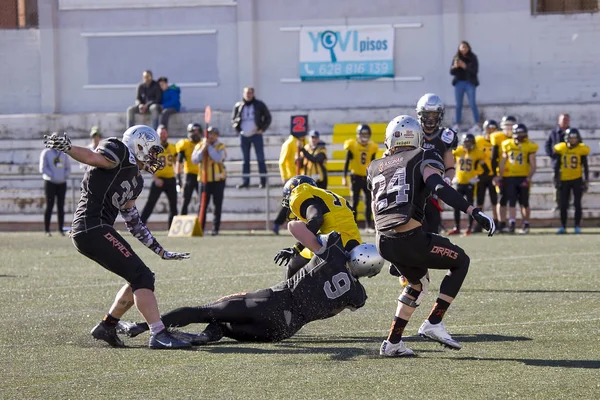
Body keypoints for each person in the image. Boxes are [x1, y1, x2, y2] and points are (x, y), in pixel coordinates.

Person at [42, 125, 192, 349]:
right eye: (152, 151)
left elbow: (133, 221)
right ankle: (159, 334)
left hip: (94, 230)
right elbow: (94, 158)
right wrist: (69, 148)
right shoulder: (119, 151)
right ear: (139, 145)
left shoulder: (137, 181)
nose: (154, 157)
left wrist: (160, 250)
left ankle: (107, 326)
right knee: (143, 277)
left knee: (140, 277)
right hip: (92, 226)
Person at [366, 115, 495, 357]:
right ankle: (434, 322)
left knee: (417, 284)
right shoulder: (422, 156)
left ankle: (393, 343)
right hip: (409, 238)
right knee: (461, 260)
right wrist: (473, 210)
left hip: (383, 241)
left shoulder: (374, 166)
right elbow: (439, 187)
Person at [117, 231, 383, 345]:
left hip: (274, 301)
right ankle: (205, 337)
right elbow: (333, 310)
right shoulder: (357, 295)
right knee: (222, 326)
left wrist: (311, 246)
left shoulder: (335, 254)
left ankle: (141, 328)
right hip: (284, 330)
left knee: (206, 311)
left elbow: (296, 227)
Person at [274, 175, 362, 279]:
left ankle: (288, 294)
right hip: (355, 246)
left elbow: (316, 219)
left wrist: (296, 248)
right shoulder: (332, 196)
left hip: (333, 245)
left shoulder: (300, 192)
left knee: (293, 265)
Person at [415, 93, 458, 234]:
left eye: (434, 114)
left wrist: (447, 180)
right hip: (413, 187)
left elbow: (450, 166)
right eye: (427, 114)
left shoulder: (446, 136)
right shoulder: (412, 133)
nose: (431, 118)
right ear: (420, 114)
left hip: (433, 189)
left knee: (433, 228)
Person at [498, 123, 538, 234]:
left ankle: (526, 223)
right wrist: (500, 176)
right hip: (510, 177)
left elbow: (533, 164)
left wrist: (528, 178)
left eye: (522, 133)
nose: (520, 135)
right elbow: (503, 161)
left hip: (523, 176)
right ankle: (512, 223)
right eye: (519, 133)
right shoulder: (507, 144)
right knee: (512, 201)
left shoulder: (530, 146)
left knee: (524, 202)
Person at [447, 133, 488, 236]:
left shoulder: (478, 153)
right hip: (459, 182)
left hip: (470, 183)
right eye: (466, 142)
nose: (468, 144)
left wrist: (477, 178)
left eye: (470, 142)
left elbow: (486, 169)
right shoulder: (458, 151)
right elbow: (448, 159)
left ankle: (469, 227)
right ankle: (457, 227)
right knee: (456, 205)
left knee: (469, 206)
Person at [231, 86, 272, 189]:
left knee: (260, 158)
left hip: (256, 135)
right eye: (246, 93)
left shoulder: (259, 104)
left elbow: (268, 117)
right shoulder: (239, 105)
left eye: (250, 93)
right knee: (245, 160)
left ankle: (263, 182)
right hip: (244, 135)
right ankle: (245, 181)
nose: (248, 95)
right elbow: (234, 119)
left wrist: (262, 129)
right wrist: (238, 129)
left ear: (253, 94)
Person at [141, 125, 178, 229]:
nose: (163, 135)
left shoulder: (173, 147)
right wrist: (156, 178)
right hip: (159, 179)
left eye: (164, 133)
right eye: (161, 133)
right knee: (150, 203)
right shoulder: (153, 148)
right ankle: (140, 226)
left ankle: (173, 228)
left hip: (171, 179)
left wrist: (178, 174)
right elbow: (149, 164)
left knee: (173, 205)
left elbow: (177, 162)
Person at [191, 126, 227, 236]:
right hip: (204, 180)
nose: (211, 136)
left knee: (217, 205)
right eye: (209, 134)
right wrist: (203, 149)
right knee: (202, 205)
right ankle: (201, 227)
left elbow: (218, 158)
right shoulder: (199, 146)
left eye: (213, 134)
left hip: (218, 180)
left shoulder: (221, 146)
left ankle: (215, 229)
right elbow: (194, 160)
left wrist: (209, 148)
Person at [342, 124, 379, 229]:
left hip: (367, 177)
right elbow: (346, 162)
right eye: (362, 134)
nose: (364, 137)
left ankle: (368, 226)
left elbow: (373, 163)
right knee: (355, 202)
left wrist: (373, 177)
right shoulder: (352, 145)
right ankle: (354, 226)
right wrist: (344, 177)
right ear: (358, 135)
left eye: (366, 135)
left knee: (369, 202)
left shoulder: (372, 147)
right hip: (355, 177)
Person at [554, 128, 590, 234]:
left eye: (575, 138)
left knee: (577, 203)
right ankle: (563, 226)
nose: (573, 140)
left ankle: (577, 226)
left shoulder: (581, 149)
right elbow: (557, 166)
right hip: (564, 179)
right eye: (571, 138)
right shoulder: (561, 148)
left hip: (577, 179)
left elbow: (585, 166)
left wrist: (586, 179)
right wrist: (556, 179)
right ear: (566, 139)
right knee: (563, 204)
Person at [272, 133, 306, 235]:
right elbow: (282, 161)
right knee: (288, 202)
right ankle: (277, 223)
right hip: (292, 178)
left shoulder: (304, 142)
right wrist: (285, 177)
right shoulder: (290, 143)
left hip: (301, 178)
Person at [39, 137, 71, 236]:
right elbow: (42, 168)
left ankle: (61, 229)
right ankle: (47, 230)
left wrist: (63, 176)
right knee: (49, 206)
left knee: (61, 207)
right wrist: (53, 175)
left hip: (62, 183)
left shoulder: (63, 153)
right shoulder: (46, 152)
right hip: (50, 183)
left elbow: (67, 167)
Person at [490, 115, 517, 232]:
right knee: (502, 198)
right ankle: (501, 222)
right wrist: (495, 175)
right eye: (507, 125)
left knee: (512, 199)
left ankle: (510, 223)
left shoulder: (519, 138)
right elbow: (493, 157)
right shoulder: (498, 137)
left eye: (511, 125)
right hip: (501, 173)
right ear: (502, 126)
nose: (509, 128)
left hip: (514, 173)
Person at [473, 119, 499, 231]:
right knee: (480, 200)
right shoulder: (478, 140)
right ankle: (480, 222)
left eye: (493, 129)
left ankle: (497, 221)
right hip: (481, 174)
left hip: (494, 174)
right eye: (489, 129)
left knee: (495, 200)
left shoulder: (497, 141)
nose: (491, 131)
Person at [450, 41, 480, 133]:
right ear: (459, 48)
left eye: (465, 47)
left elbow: (475, 71)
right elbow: (451, 72)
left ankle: (477, 124)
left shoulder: (473, 57)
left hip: (470, 83)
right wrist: (455, 67)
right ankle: (457, 124)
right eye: (462, 47)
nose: (463, 49)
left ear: (468, 48)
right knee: (458, 105)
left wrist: (465, 66)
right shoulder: (456, 57)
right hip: (459, 83)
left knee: (472, 104)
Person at [545, 113, 571, 211]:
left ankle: (568, 204)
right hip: (557, 164)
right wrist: (553, 155)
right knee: (557, 184)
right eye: (563, 120)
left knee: (569, 185)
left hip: (569, 165)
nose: (565, 122)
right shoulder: (553, 133)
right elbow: (547, 145)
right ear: (559, 121)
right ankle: (557, 204)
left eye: (567, 120)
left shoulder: (572, 132)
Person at [176, 122, 202, 215]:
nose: (195, 133)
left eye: (197, 131)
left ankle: (200, 223)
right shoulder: (184, 144)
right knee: (185, 200)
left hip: (201, 175)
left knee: (202, 202)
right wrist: (178, 178)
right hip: (189, 175)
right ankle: (182, 220)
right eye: (193, 131)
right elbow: (179, 162)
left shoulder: (203, 144)